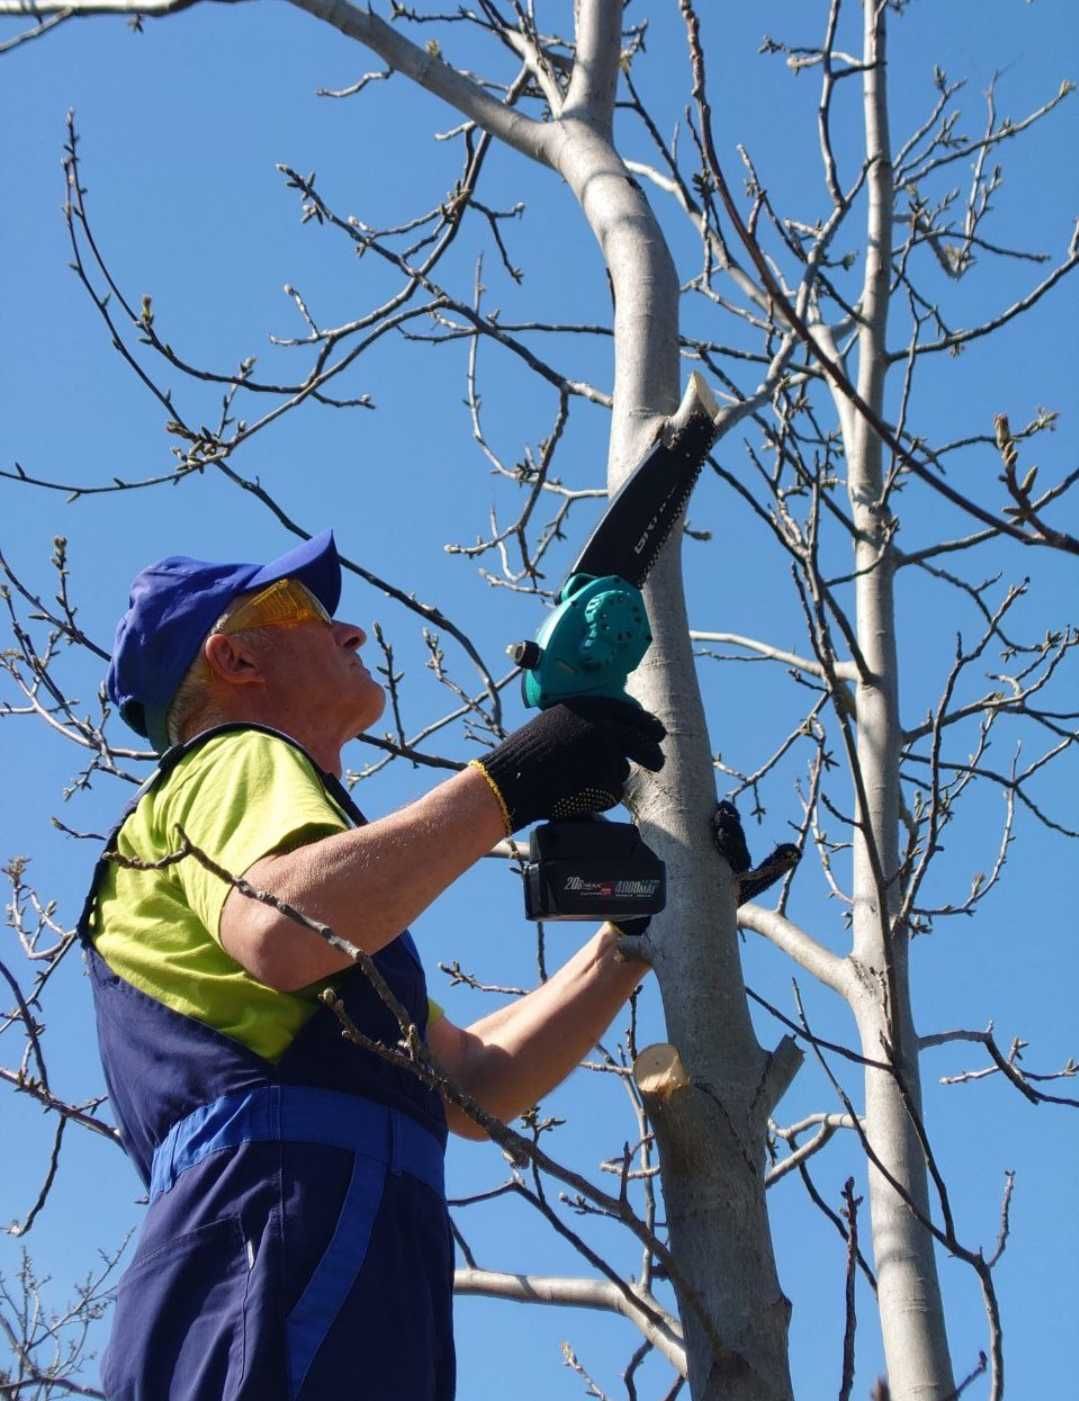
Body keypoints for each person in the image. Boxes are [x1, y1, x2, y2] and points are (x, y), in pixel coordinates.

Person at [79, 529, 668, 1401]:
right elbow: (283, 926)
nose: (349, 632)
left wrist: (632, 941)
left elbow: (472, 1081)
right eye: (305, 614)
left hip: (335, 1240)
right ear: (234, 657)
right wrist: (513, 779)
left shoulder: (339, 914)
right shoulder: (230, 757)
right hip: (276, 1224)